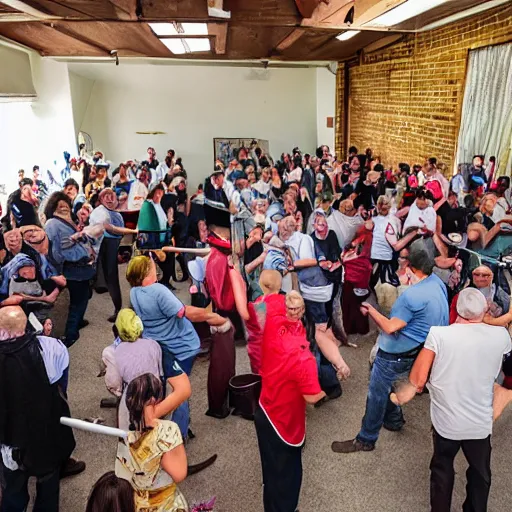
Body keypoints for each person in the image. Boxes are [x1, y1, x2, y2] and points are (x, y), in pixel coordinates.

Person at [391, 288, 512, 512]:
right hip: (479, 424)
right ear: (484, 309)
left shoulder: (439, 335)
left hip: (446, 423)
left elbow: (417, 379)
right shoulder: (501, 336)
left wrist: (406, 391)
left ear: (456, 310)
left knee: (442, 470)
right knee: (480, 474)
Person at [332, 242, 449, 453]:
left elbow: (390, 326)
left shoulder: (411, 296)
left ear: (410, 266)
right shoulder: (437, 283)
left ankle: (366, 438)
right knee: (389, 384)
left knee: (377, 392)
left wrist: (371, 310)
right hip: (421, 348)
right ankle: (393, 419)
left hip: (396, 353)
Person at [126, 255, 228, 436]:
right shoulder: (158, 290)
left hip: (158, 346)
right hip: (180, 346)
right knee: (179, 391)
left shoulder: (134, 292)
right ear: (146, 272)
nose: (155, 268)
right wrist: (214, 318)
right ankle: (178, 434)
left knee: (165, 384)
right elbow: (184, 312)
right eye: (151, 266)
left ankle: (171, 424)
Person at [0, 306, 81, 511]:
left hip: (8, 438)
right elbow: (61, 384)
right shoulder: (50, 347)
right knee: (48, 483)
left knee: (13, 486)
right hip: (44, 431)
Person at [255, 291, 325, 512]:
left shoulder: (274, 320)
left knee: (271, 470)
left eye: (297, 308)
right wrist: (325, 392)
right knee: (288, 476)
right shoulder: (303, 358)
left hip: (265, 407)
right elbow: (312, 397)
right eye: (293, 308)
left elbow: (264, 297)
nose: (294, 311)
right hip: (285, 423)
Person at [115, 374, 189, 512]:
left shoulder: (126, 435)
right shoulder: (168, 430)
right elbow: (180, 473)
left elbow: (121, 475)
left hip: (139, 504)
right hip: (166, 503)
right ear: (154, 398)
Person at [45, 192, 98, 347]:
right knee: (78, 302)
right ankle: (71, 334)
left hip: (82, 266)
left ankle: (78, 321)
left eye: (66, 206)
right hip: (72, 268)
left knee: (84, 295)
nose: (64, 208)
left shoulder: (69, 221)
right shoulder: (52, 224)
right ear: (53, 207)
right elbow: (53, 251)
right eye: (60, 206)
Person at [89, 188, 137, 321]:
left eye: (112, 196)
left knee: (112, 278)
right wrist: (132, 230)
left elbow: (118, 234)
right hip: (102, 245)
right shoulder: (99, 212)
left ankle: (118, 308)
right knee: (105, 277)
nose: (110, 199)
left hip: (112, 246)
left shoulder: (117, 214)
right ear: (101, 199)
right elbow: (109, 228)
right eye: (106, 196)